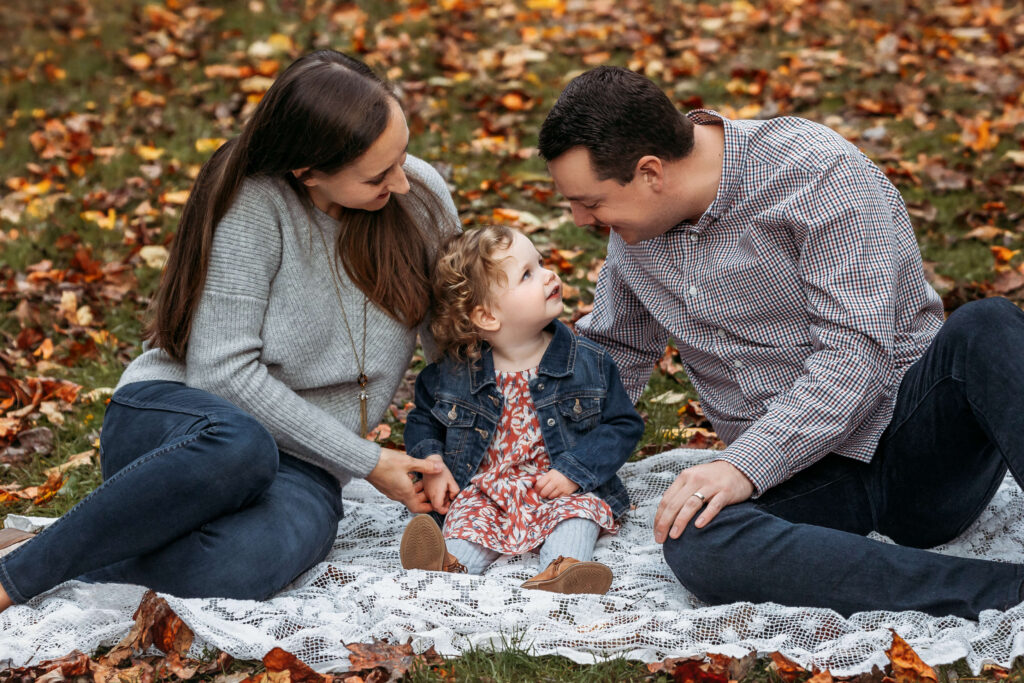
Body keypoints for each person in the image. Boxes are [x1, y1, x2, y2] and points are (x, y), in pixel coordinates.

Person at [537, 65, 1024, 618]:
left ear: (651, 172)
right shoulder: (636, 233)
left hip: (917, 442)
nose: (579, 218)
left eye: (591, 202)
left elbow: (855, 356)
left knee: (988, 324)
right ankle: (999, 592)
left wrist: (742, 465)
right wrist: (528, 452)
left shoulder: (816, 171)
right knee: (696, 538)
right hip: (805, 479)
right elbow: (613, 356)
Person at [0, 50, 460, 611]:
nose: (404, 182)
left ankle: (74, 546)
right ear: (307, 170)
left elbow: (452, 348)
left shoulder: (421, 196)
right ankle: (16, 577)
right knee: (242, 446)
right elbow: (222, 372)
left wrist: (458, 456)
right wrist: (369, 461)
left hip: (307, 461)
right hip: (188, 426)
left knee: (245, 564)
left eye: (403, 155)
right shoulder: (255, 204)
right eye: (377, 174)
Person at [399, 226, 644, 594]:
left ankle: (563, 571)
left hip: (559, 486)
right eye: (527, 274)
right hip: (488, 489)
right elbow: (423, 420)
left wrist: (575, 473)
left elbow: (622, 424)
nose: (549, 275)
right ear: (487, 316)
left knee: (577, 516)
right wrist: (432, 467)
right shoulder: (453, 374)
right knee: (468, 519)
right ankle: (447, 564)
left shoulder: (587, 361)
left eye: (541, 263)